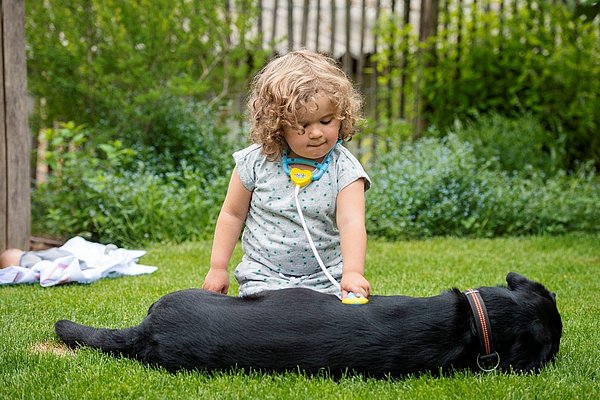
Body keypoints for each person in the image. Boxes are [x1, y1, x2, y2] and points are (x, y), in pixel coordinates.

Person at [202, 50, 371, 300]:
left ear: (341, 115)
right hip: (264, 274)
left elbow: (351, 222)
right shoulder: (254, 162)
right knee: (266, 322)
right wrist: (217, 268)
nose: (316, 133)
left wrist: (353, 272)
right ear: (277, 124)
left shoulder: (344, 168)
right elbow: (232, 214)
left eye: (326, 121)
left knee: (328, 324)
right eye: (302, 125)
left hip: (324, 276)